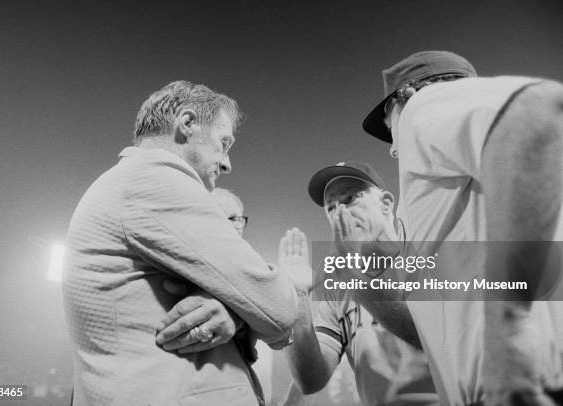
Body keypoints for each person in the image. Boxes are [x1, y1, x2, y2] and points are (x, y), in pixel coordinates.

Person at [62, 81, 302, 406]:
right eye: (223, 142)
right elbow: (280, 309)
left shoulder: (128, 181)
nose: (228, 163)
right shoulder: (153, 177)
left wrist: (235, 311)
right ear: (187, 123)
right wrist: (255, 304)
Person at [361, 51, 563, 406]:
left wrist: (508, 330)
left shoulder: (421, 107)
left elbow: (538, 113)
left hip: (519, 387)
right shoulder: (476, 187)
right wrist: (366, 286)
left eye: (389, 124)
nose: (393, 147)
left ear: (404, 96)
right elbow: (443, 328)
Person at [280, 161, 438, 406]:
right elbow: (312, 380)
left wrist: (350, 274)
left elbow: (437, 341)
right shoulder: (336, 289)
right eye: (331, 207)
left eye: (350, 199)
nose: (340, 212)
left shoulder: (427, 256)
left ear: (386, 204)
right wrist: (296, 300)